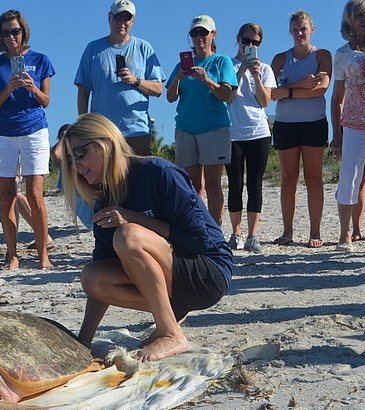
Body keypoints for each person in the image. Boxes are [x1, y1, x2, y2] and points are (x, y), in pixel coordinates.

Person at [61, 113, 232, 362]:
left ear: (106, 143)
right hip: (173, 283)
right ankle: (172, 315)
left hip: (208, 274)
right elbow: (103, 267)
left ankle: (170, 333)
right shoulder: (105, 198)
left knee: (128, 235)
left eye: (79, 153)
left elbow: (200, 241)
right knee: (92, 276)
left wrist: (135, 218)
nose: (76, 166)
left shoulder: (158, 173)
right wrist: (83, 342)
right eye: (69, 159)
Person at [0, 10, 55, 270]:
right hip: (4, 133)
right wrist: (10, 88)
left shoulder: (41, 60)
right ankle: (12, 255)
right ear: (0, 37)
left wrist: (31, 87)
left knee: (35, 195)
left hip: (34, 129)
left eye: (15, 30)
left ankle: (43, 254)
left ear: (23, 31)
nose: (11, 36)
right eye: (5, 32)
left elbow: (46, 101)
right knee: (7, 196)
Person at [166, 15, 237, 226]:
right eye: (194, 33)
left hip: (214, 127)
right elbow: (170, 97)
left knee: (214, 184)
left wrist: (206, 79)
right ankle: (197, 226)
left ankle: (214, 229)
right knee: (192, 185)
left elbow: (226, 94)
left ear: (213, 35)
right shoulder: (182, 64)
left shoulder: (221, 61)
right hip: (187, 128)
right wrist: (178, 78)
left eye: (203, 32)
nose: (199, 37)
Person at [270, 10, 331, 248]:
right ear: (290, 32)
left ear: (311, 29)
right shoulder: (279, 59)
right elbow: (272, 93)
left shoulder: (322, 56)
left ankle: (315, 232)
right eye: (295, 29)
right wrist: (301, 86)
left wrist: (289, 92)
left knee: (314, 177)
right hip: (285, 124)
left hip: (314, 122)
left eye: (303, 28)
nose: (299, 33)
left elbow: (322, 88)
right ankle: (287, 232)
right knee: (288, 178)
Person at [74, 0, 165, 156]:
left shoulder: (144, 48)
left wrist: (135, 80)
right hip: (102, 131)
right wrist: (83, 125)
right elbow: (83, 90)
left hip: (137, 131)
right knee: (104, 180)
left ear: (133, 21)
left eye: (126, 18)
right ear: (109, 18)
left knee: (138, 179)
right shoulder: (93, 49)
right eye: (117, 17)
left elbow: (158, 89)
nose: (121, 22)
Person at [225, 23, 277, 253]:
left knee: (255, 184)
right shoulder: (227, 64)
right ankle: (236, 233)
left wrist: (255, 74)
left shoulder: (265, 69)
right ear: (238, 39)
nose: (250, 46)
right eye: (246, 41)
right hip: (233, 133)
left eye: (255, 43)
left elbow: (265, 101)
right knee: (235, 184)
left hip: (258, 132)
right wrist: (241, 72)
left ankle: (253, 236)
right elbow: (227, 97)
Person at [330, 0, 365, 251]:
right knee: (349, 179)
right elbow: (337, 97)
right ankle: (345, 234)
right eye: (359, 15)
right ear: (349, 20)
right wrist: (337, 134)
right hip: (354, 124)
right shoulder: (343, 54)